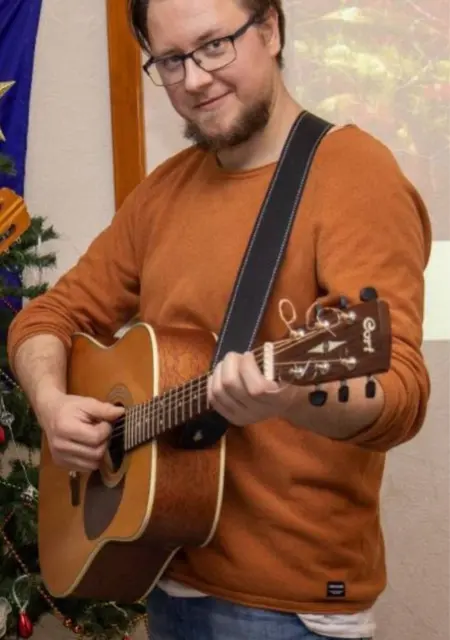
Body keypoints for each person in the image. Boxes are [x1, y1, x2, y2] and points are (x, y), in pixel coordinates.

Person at [7, 0, 432, 638]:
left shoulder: (356, 175)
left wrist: (293, 396)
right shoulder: (164, 191)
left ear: (271, 28)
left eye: (214, 45)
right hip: (160, 568)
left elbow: (399, 393)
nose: (195, 79)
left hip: (286, 607)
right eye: (171, 60)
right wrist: (51, 404)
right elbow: (49, 315)